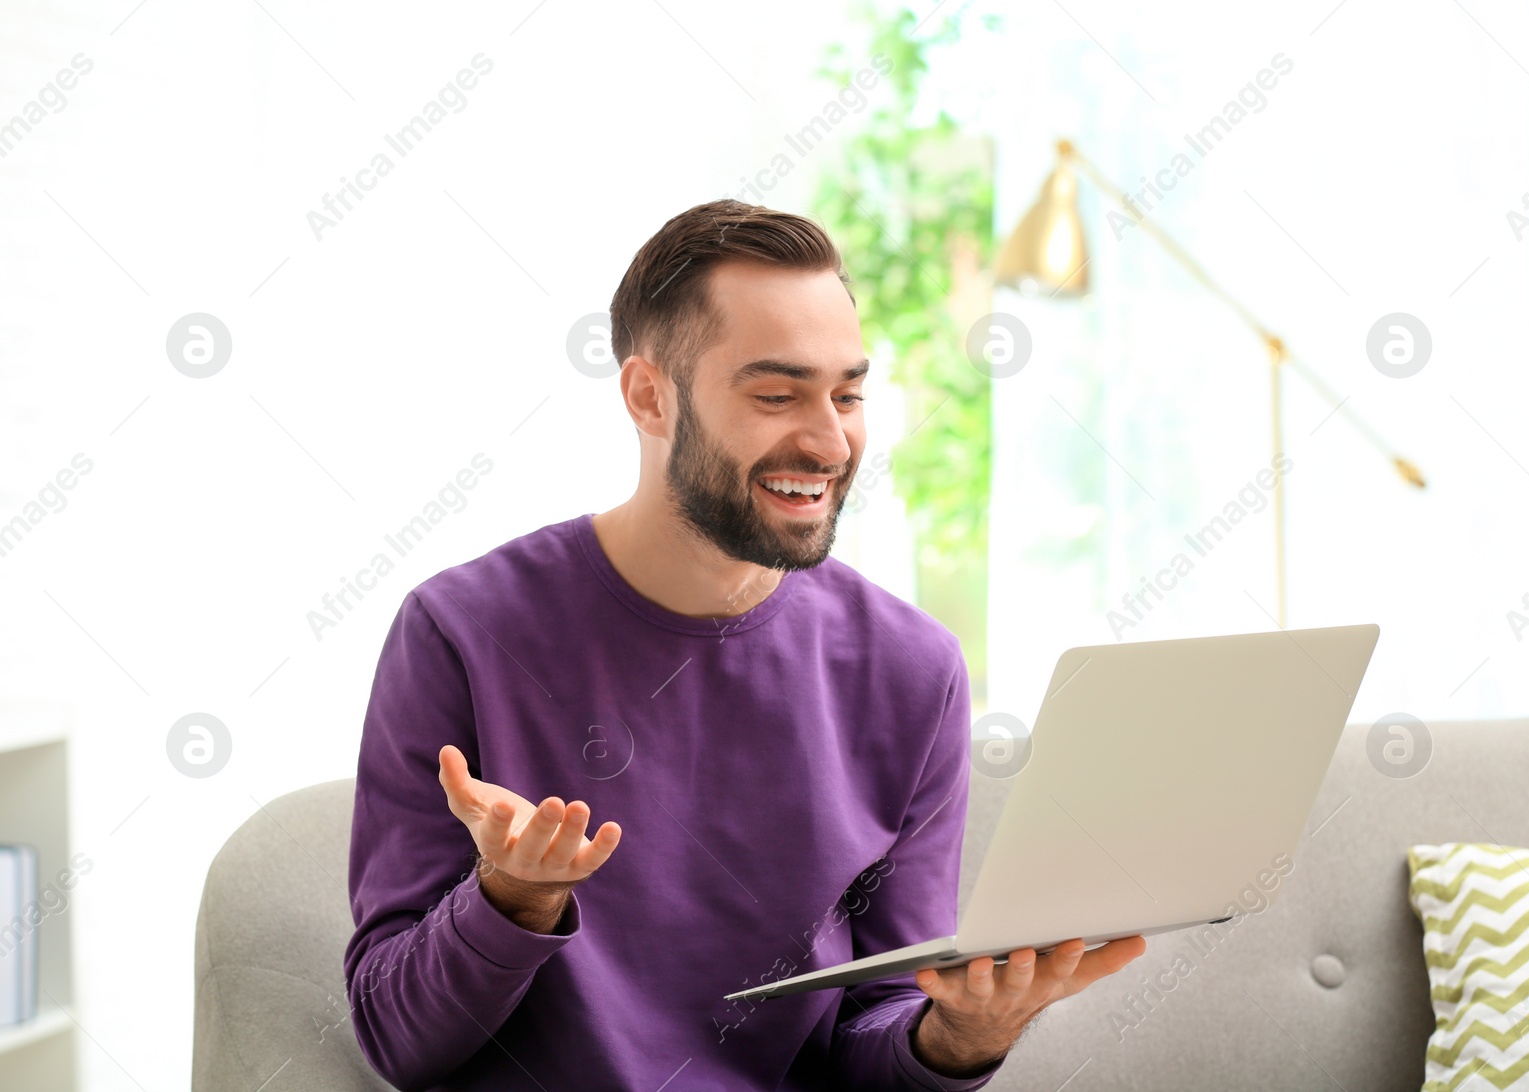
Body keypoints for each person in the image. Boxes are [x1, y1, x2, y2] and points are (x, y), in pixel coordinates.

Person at [343, 198, 1146, 1090]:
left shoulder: (913, 672)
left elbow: (873, 1033)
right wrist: (512, 901)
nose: (831, 440)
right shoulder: (462, 632)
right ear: (650, 396)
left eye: (848, 394)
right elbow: (395, 1040)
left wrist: (958, 1037)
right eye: (776, 395)